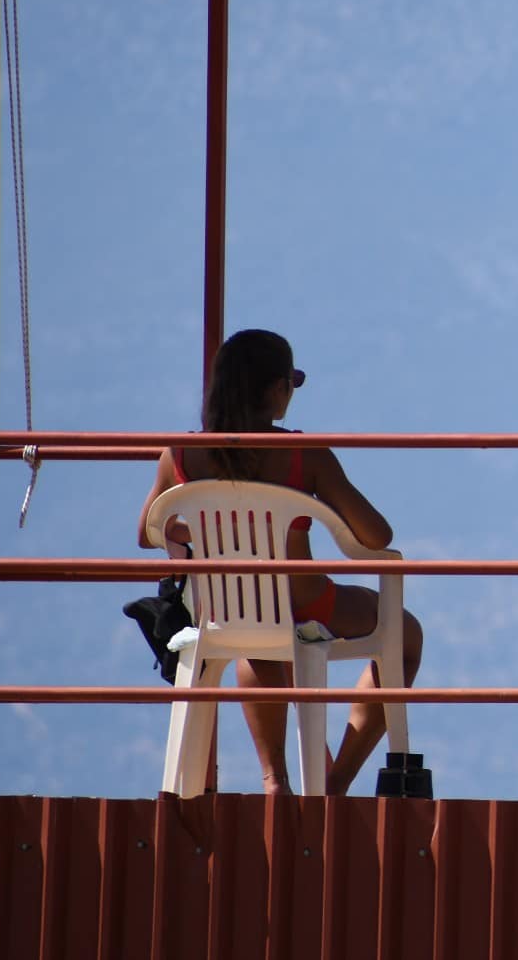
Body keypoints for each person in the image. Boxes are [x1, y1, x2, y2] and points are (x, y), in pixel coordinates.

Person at [138, 329, 423, 795]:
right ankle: (336, 783)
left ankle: (275, 777)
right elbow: (377, 536)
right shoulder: (303, 455)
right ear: (275, 389)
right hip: (306, 604)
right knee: (406, 635)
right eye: (292, 382)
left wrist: (206, 532)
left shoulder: (179, 455)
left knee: (256, 635)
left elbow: (149, 531)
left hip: (223, 610)